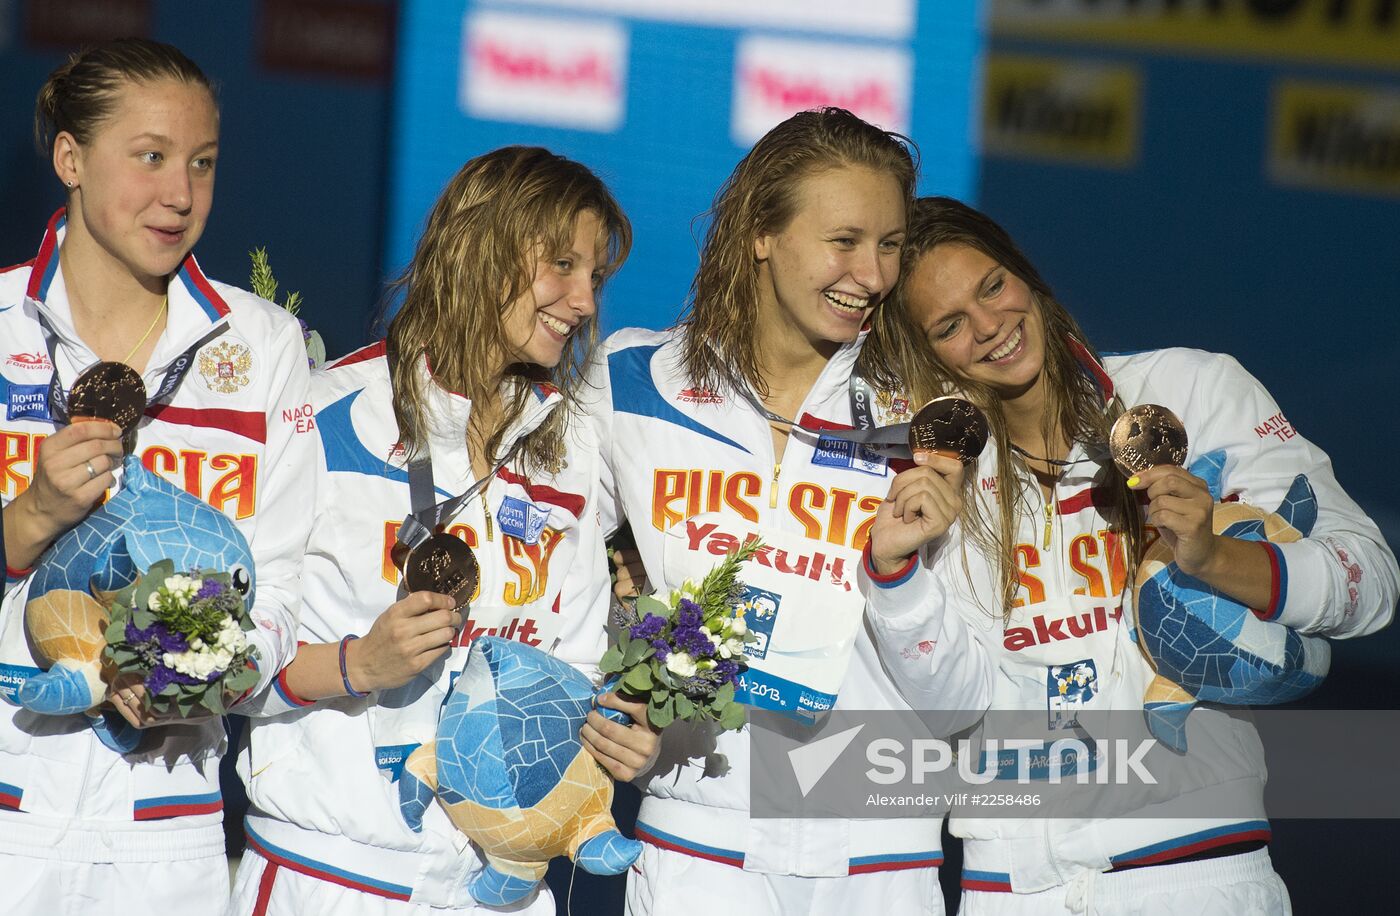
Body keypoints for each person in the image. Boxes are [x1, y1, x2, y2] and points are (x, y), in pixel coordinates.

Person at [859, 196, 1399, 914]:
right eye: (950, 325)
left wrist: (1209, 557)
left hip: (1192, 875)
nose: (989, 326)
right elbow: (950, 707)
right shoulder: (942, 479)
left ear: (1025, 275)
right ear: (925, 353)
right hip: (1008, 886)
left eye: (992, 286)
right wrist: (895, 579)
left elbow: (1371, 582)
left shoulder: (1189, 389)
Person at [227, 145, 655, 915]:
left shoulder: (572, 451)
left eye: (595, 275)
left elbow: (580, 664)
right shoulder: (328, 416)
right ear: (479, 250)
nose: (584, 300)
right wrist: (359, 663)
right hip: (330, 878)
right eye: (561, 265)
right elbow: (220, 661)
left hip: (503, 891)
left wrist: (616, 738)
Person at [586, 108, 992, 916]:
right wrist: (611, 685)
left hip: (881, 860)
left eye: (889, 245)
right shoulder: (632, 381)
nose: (873, 275)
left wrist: (898, 573)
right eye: (844, 241)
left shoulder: (933, 421)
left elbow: (962, 706)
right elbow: (554, 589)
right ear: (761, 233)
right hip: (697, 847)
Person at [0, 39, 315, 914]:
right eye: (151, 157)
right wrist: (28, 516)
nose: (180, 195)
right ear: (70, 157)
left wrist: (195, 675)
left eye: (202, 164)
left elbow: (285, 590)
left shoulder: (261, 349)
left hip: (165, 821)